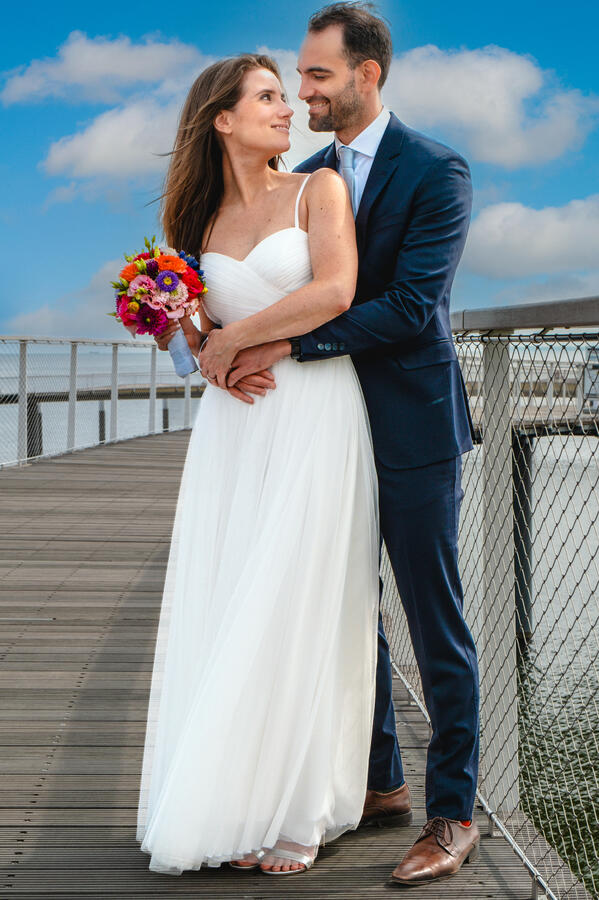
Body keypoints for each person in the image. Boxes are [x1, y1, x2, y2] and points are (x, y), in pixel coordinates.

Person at [208, 2, 482, 886]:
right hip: (321, 429)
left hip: (408, 426)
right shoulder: (307, 176)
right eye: (298, 76)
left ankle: (451, 814)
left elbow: (408, 308)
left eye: (318, 75)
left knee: (431, 617)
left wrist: (285, 344)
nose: (303, 91)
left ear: (367, 74)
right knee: (339, 611)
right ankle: (377, 783)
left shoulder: (437, 169)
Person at [136, 52, 381, 877]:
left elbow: (336, 291)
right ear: (223, 120)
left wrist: (234, 341)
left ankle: (301, 806)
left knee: (303, 592)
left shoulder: (319, 190)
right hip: (234, 426)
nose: (287, 109)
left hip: (314, 411)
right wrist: (195, 343)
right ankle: (238, 796)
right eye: (269, 98)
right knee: (234, 592)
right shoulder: (196, 226)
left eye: (286, 95)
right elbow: (188, 339)